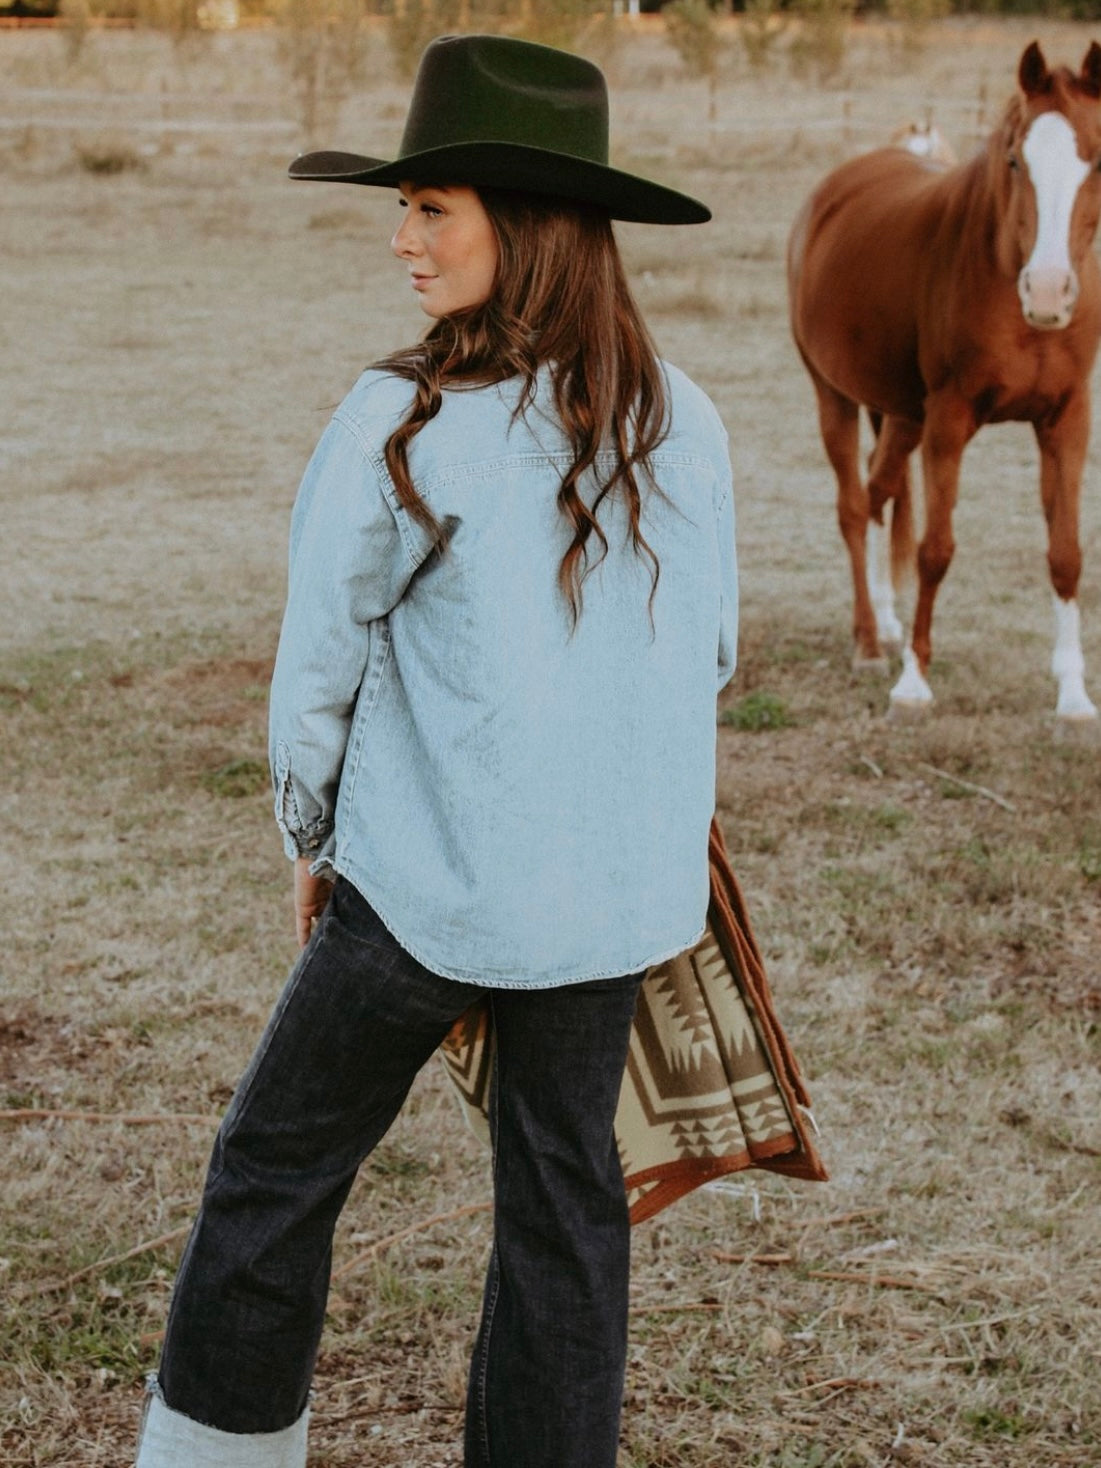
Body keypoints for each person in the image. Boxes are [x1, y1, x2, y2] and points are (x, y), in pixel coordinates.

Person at [135, 32, 737, 1468]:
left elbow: (317, 673)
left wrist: (309, 841)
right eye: (400, 208)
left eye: (432, 209)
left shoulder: (403, 420)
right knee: (562, 1204)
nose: (400, 240)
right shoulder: (686, 419)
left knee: (276, 1165)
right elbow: (710, 658)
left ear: (523, 230)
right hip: (608, 907)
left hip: (425, 895)